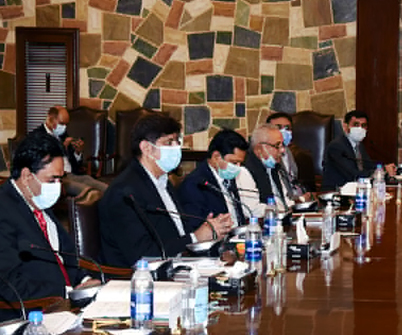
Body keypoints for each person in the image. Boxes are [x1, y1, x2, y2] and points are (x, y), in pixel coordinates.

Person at [99, 113, 233, 268]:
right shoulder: (124, 193)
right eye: (169, 142)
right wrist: (195, 237)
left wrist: (209, 230)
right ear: (147, 148)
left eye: (177, 141)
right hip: (137, 279)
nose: (176, 148)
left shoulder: (163, 181)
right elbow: (143, 255)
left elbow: (176, 234)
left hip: (176, 265)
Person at [0, 132, 98, 307]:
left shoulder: (38, 201)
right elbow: (8, 286)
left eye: (60, 179)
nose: (58, 187)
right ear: (26, 176)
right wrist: (65, 292)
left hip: (67, 304)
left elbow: (66, 256)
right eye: (52, 179)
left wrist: (85, 279)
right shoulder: (4, 211)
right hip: (33, 313)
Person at [30, 106, 108, 200]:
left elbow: (75, 164)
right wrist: (61, 147)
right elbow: (42, 162)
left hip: (73, 174)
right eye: (61, 123)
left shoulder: (63, 134)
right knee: (89, 192)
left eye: (66, 124)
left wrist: (77, 152)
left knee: (105, 188)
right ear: (51, 119)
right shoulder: (37, 136)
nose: (64, 127)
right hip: (58, 179)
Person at [178, 129, 250, 231]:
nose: (238, 167)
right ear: (216, 156)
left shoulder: (227, 177)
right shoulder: (195, 184)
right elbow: (194, 228)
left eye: (240, 163)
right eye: (234, 163)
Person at [322, 110, 397, 192]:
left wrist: (386, 168)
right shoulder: (336, 146)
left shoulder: (359, 145)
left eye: (363, 125)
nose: (360, 129)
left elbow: (368, 165)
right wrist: (382, 170)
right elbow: (353, 174)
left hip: (355, 189)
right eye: (356, 125)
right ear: (345, 126)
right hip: (336, 192)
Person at [237, 124, 296, 217]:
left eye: (282, 145)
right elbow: (252, 210)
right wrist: (279, 210)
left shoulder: (274, 167)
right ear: (259, 149)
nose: (282, 150)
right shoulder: (244, 171)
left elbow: (284, 200)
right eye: (277, 146)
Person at [265, 112, 317, 197]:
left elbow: (308, 189)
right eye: (278, 127)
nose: (283, 131)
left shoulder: (298, 155)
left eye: (287, 128)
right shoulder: (266, 157)